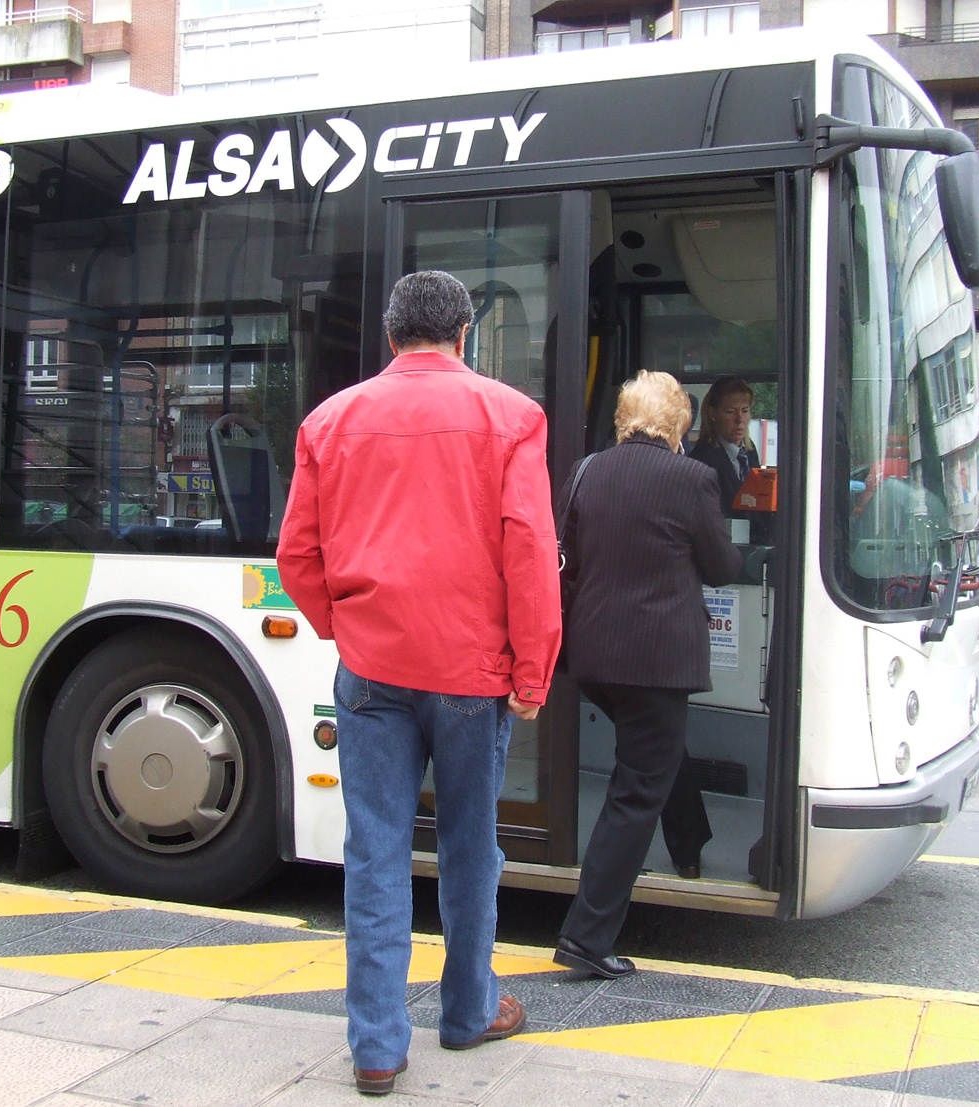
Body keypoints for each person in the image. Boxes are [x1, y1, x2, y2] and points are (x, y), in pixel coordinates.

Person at [277, 270, 561, 1097]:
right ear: (464, 334)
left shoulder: (329, 421)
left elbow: (297, 555)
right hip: (474, 673)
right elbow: (528, 553)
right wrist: (533, 668)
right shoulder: (513, 416)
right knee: (471, 845)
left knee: (375, 850)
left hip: (372, 671)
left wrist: (346, 625)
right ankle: (468, 1010)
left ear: (391, 335)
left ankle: (376, 1046)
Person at [554, 370, 741, 980]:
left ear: (624, 418)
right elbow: (721, 566)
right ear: (679, 424)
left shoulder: (587, 472)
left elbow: (567, 558)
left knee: (655, 755)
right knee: (636, 790)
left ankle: (689, 843)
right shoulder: (692, 479)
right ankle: (586, 936)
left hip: (594, 658)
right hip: (656, 663)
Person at [689, 376, 765, 540]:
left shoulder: (750, 451)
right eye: (730, 412)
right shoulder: (703, 458)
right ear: (713, 414)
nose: (739, 420)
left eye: (745, 411)